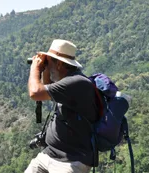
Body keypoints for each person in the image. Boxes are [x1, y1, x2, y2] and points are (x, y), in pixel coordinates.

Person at [25, 39, 98, 173]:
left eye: (49, 61)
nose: (47, 64)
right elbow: (47, 89)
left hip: (71, 161)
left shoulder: (76, 82)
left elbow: (35, 92)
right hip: (49, 154)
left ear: (59, 64)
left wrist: (34, 68)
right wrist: (46, 69)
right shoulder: (67, 81)